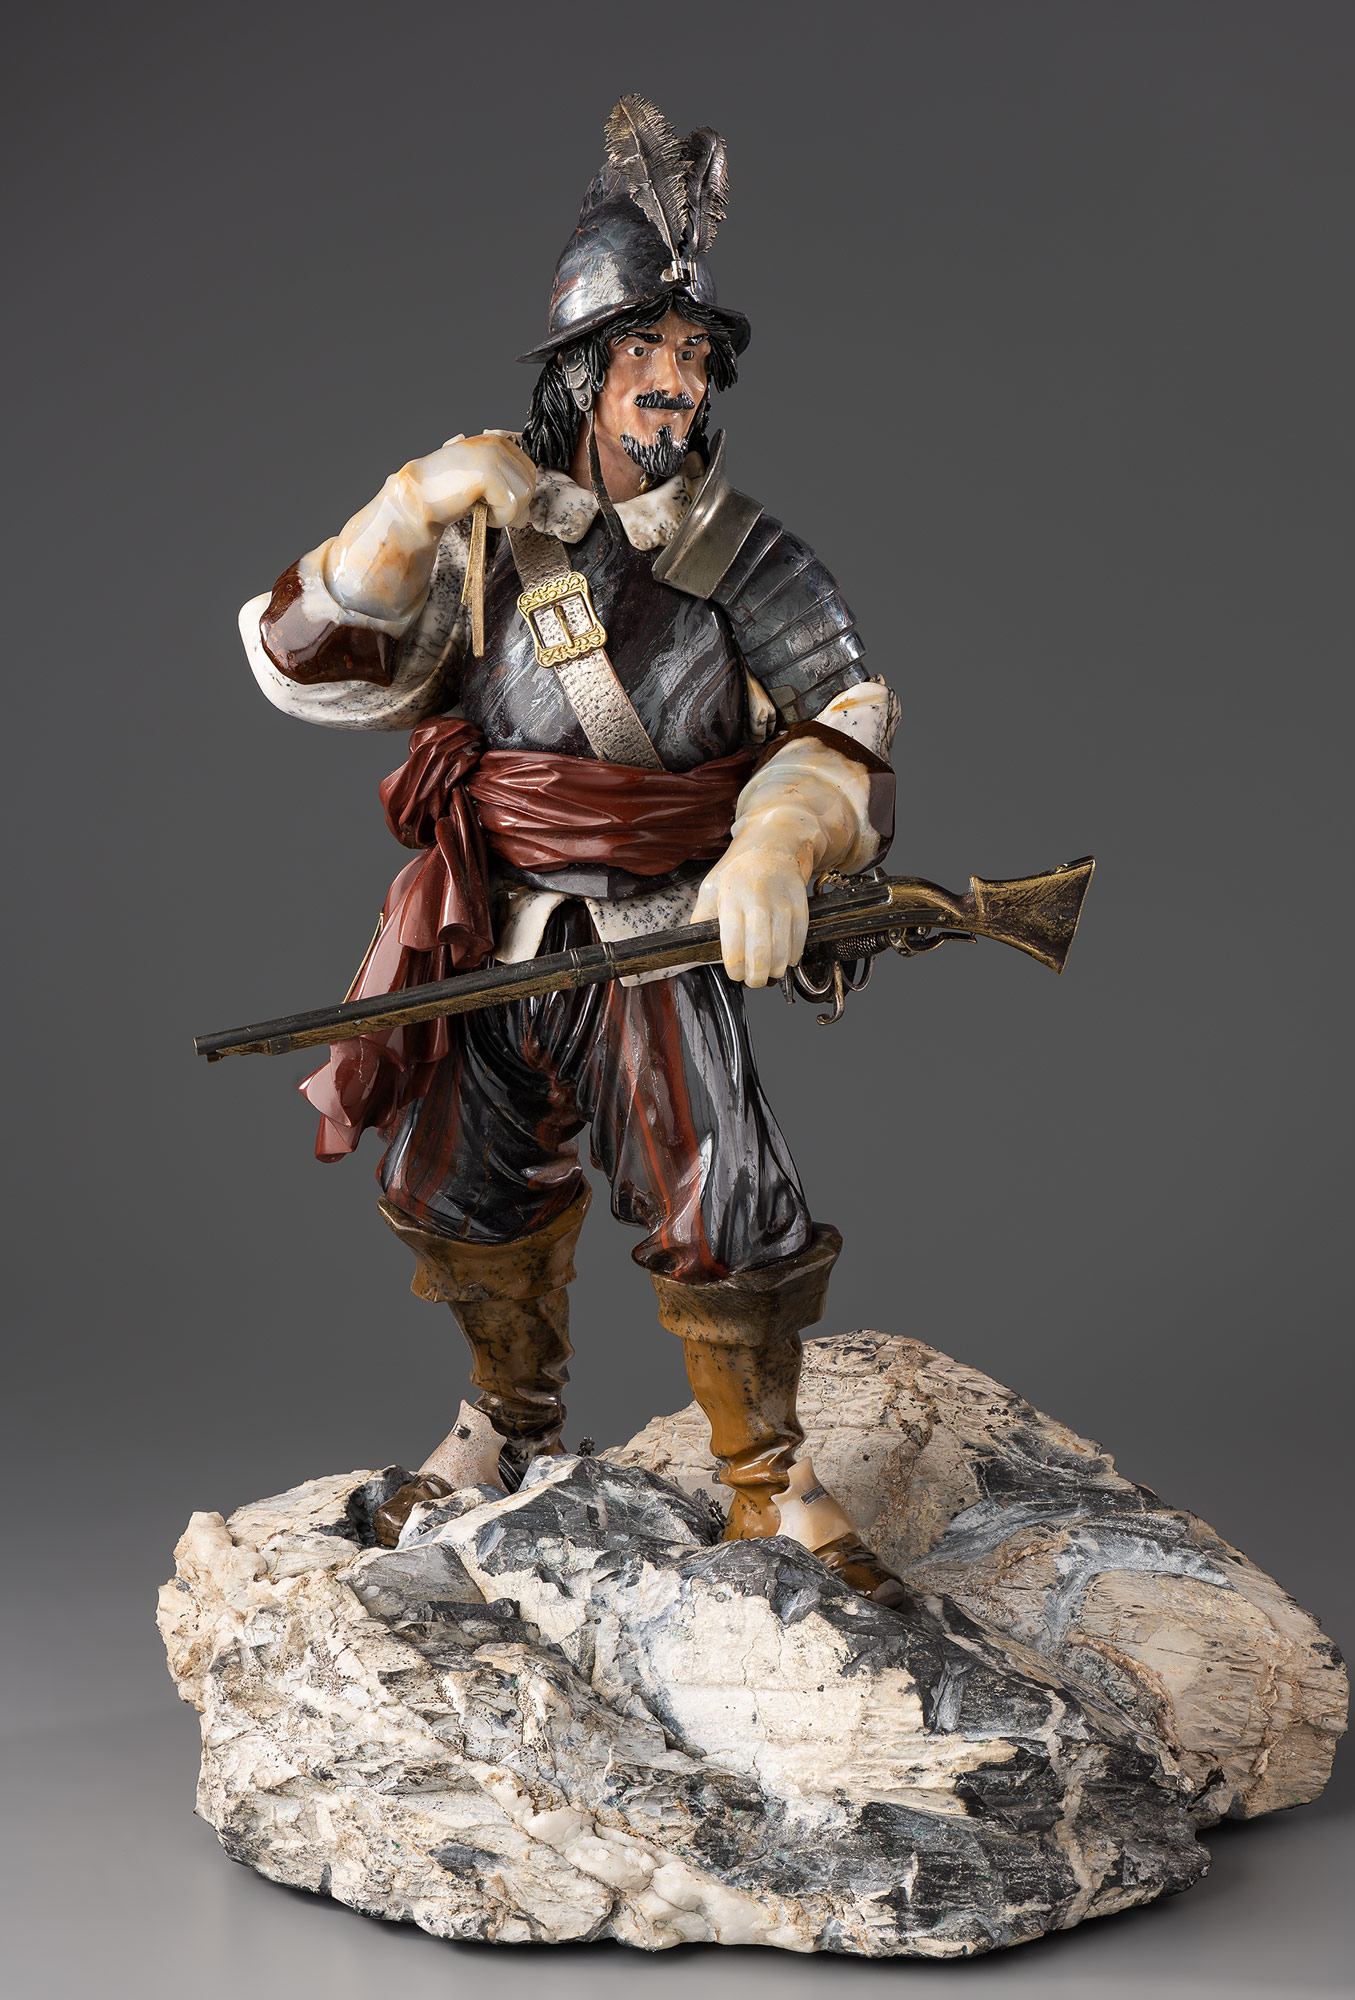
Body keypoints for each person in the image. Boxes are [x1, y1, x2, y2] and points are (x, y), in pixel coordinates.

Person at [237, 98, 902, 1601]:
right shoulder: (488, 534)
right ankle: (506, 1424)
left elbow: (847, 725)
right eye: (642, 351)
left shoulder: (753, 562)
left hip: (659, 924)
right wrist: (405, 507)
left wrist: (778, 845)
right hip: (488, 919)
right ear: (581, 373)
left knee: (720, 1199)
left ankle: (767, 1481)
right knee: (463, 1189)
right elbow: (303, 660)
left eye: (694, 357)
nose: (673, 381)